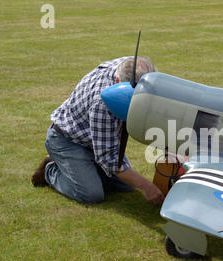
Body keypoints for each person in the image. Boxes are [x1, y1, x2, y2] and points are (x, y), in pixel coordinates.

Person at [31, 56, 164, 205]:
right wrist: (146, 186)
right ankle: (50, 169)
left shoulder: (133, 67)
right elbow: (108, 157)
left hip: (95, 140)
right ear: (118, 82)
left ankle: (85, 170)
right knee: (91, 194)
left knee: (128, 185)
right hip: (68, 140)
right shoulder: (102, 104)